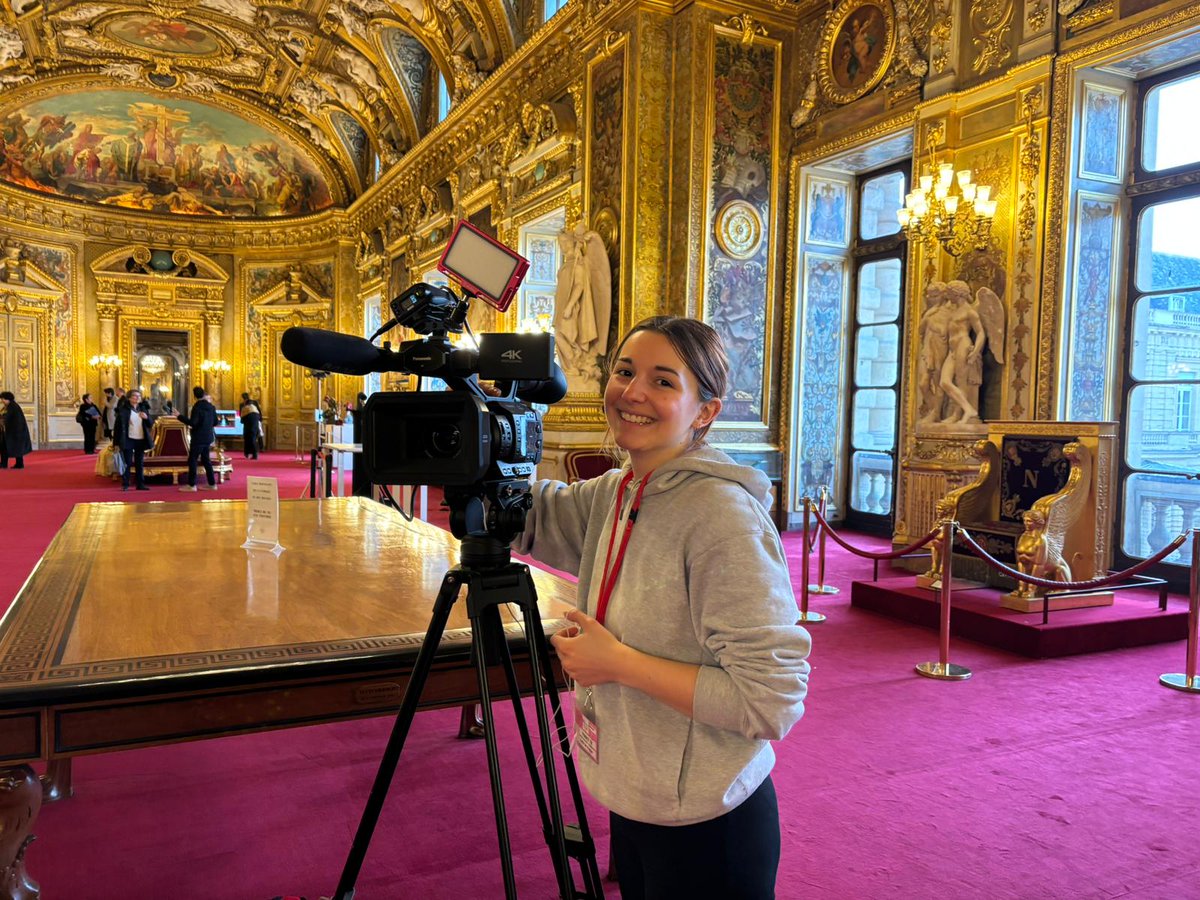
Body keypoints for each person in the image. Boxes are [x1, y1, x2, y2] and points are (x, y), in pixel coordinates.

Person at [515, 316, 810, 899]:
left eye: (663, 381)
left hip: (708, 820)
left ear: (705, 411)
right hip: (638, 793)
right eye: (624, 372)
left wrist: (617, 663)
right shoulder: (622, 487)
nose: (633, 392)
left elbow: (770, 700)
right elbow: (540, 518)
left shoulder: (723, 518)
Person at [178, 386, 218, 492]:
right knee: (206, 461)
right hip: (208, 437)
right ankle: (212, 484)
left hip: (198, 438)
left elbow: (193, 423)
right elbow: (216, 422)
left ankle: (192, 485)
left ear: (194, 396)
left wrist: (179, 416)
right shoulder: (211, 407)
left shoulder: (197, 407)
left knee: (192, 460)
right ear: (204, 394)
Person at [113, 389, 152, 491]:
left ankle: (140, 484)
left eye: (139, 396)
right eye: (135, 396)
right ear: (129, 398)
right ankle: (125, 483)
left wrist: (146, 418)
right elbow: (117, 427)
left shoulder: (143, 408)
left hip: (141, 439)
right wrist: (116, 443)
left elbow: (150, 424)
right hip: (128, 439)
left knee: (139, 462)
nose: (137, 398)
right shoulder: (124, 410)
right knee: (128, 462)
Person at [0, 391, 33, 469]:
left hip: (16, 432)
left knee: (16, 448)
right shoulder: (8, 406)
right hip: (10, 432)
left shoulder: (13, 406)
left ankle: (19, 464)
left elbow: (7, 417)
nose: (2, 401)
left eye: (3, 399)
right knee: (5, 447)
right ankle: (4, 463)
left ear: (8, 399)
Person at [239, 391, 261, 460]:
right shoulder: (254, 403)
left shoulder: (243, 405)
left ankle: (249, 453)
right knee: (253, 438)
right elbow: (259, 413)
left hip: (248, 424)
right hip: (254, 423)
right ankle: (254, 454)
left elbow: (242, 416)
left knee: (248, 438)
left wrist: (243, 421)